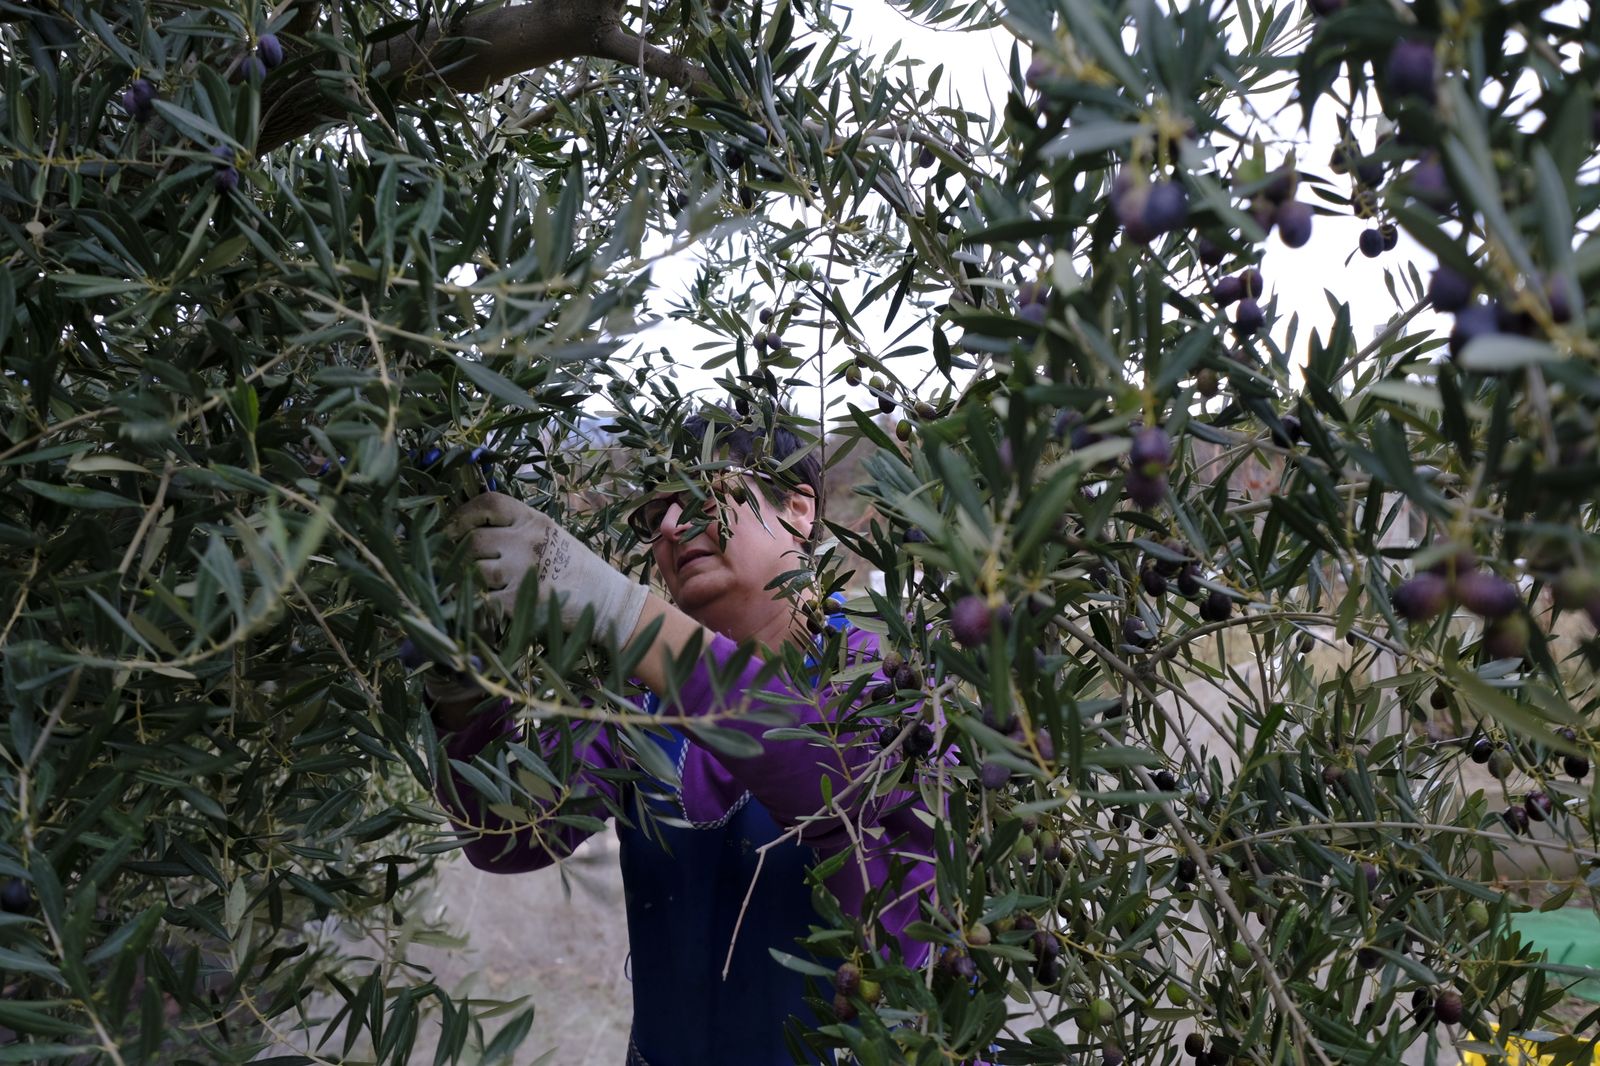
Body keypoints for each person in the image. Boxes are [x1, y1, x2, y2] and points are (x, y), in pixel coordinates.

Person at [419, 407, 939, 1066]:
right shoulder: (636, 700)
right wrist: (465, 701)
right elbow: (514, 834)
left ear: (801, 509)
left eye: (699, 495)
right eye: (653, 514)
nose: (669, 527)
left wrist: (616, 609)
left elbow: (828, 774)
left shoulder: (879, 682)